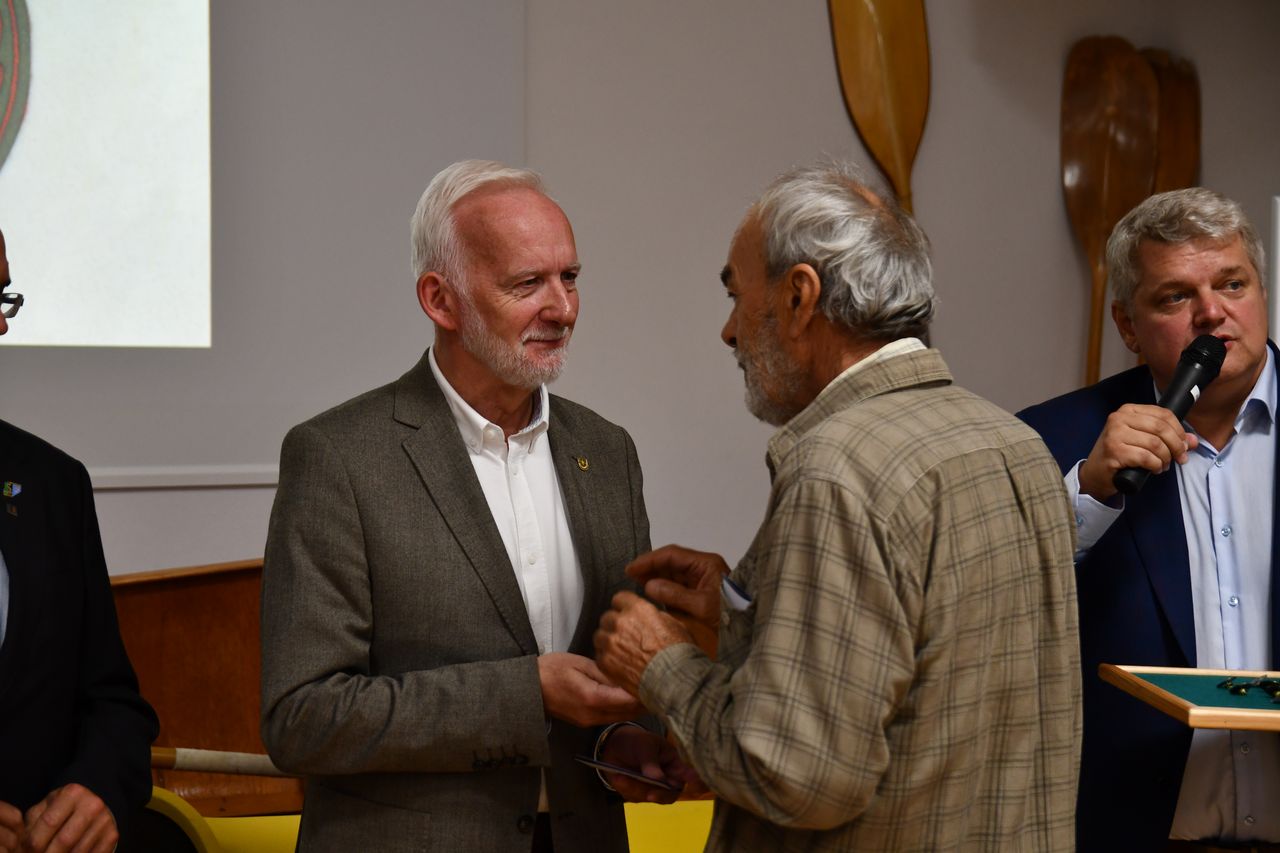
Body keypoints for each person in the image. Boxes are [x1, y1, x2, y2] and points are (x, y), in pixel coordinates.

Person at [593, 161, 1082, 851]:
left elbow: (798, 777)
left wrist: (662, 664)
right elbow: (926, 688)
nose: (729, 331)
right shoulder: (1016, 443)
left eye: (736, 296)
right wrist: (748, 616)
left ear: (799, 297)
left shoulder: (837, 469)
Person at [260, 161, 683, 853]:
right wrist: (526, 695)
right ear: (441, 299)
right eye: (528, 283)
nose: (563, 309)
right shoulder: (339, 457)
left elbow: (615, 666)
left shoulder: (608, 451)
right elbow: (302, 718)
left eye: (570, 277)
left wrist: (622, 739)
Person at [1018, 187, 1280, 851]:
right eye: (1175, 297)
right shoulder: (1049, 440)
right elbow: (1005, 613)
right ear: (1127, 326)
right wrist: (1090, 491)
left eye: (1233, 284)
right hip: (1131, 830)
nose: (1212, 313)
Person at [0, 228, 159, 853]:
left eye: (2, 297)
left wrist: (99, 786)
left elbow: (112, 702)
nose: (2, 327)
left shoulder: (53, 482)